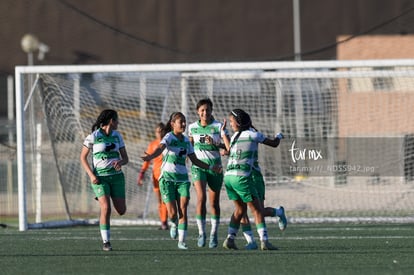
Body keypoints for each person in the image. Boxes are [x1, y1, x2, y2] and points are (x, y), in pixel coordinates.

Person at [141, 112, 222, 250]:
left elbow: (195, 160)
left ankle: (181, 242)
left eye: (185, 121)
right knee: (172, 214)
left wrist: (210, 167)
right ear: (173, 124)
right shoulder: (169, 137)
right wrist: (151, 157)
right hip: (167, 180)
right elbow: (160, 149)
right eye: (181, 122)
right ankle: (173, 223)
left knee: (183, 209)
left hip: (183, 180)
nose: (184, 124)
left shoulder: (186, 141)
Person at [221, 108, 281, 251]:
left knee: (240, 209)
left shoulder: (235, 136)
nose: (230, 124)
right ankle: (264, 241)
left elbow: (229, 151)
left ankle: (230, 239)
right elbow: (274, 144)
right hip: (241, 178)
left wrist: (223, 135)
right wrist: (279, 136)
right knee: (257, 210)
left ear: (239, 122)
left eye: (231, 121)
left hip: (228, 177)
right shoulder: (254, 135)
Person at [80, 109, 129, 251]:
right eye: (117, 120)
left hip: (117, 177)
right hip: (100, 178)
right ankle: (106, 242)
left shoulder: (117, 136)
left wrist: (120, 162)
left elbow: (126, 158)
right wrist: (91, 175)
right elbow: (82, 158)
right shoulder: (93, 136)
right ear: (111, 121)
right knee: (106, 207)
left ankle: (110, 198)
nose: (118, 123)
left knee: (121, 210)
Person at [188, 98, 228, 248]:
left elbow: (228, 147)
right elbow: (189, 146)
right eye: (202, 110)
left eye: (208, 110)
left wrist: (218, 144)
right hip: (198, 167)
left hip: (215, 167)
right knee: (201, 198)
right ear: (198, 112)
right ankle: (201, 232)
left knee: (213, 202)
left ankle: (213, 234)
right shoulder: (192, 127)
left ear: (212, 110)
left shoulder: (218, 126)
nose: (205, 113)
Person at [240, 129, 287, 250]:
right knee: (241, 210)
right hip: (239, 177)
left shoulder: (252, 134)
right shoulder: (236, 135)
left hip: (254, 177)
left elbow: (273, 144)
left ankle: (278, 213)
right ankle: (251, 242)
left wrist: (278, 137)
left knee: (258, 211)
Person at [137, 122, 169, 230]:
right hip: (156, 176)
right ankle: (163, 221)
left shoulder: (169, 143)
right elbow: (147, 161)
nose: (159, 134)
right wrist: (141, 174)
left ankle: (166, 221)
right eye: (157, 132)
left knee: (167, 200)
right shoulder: (152, 145)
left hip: (168, 176)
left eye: (162, 131)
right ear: (155, 133)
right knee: (160, 200)